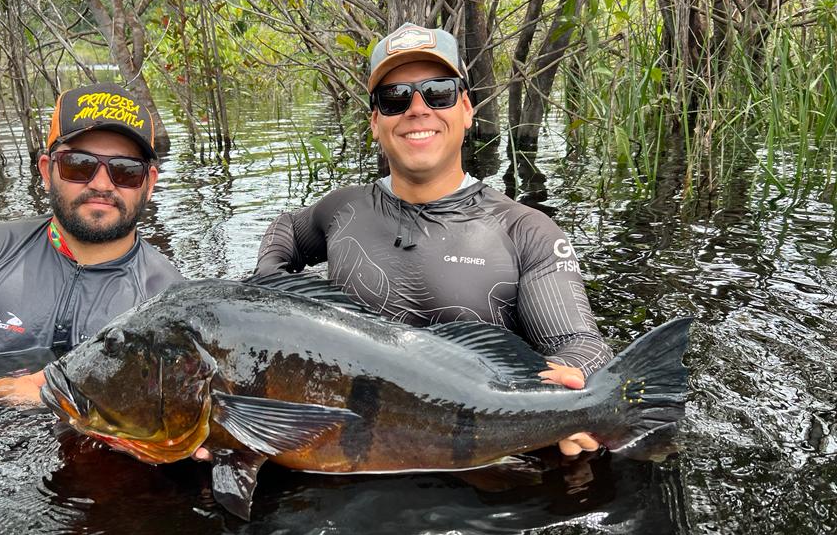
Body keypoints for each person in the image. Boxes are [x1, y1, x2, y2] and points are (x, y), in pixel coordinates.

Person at [254, 23, 613, 457]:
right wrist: (268, 293)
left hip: (483, 463)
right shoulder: (342, 210)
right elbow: (285, 230)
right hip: (347, 458)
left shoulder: (524, 230)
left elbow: (583, 344)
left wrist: (567, 385)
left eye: (438, 92)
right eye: (395, 98)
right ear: (375, 122)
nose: (417, 109)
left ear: (466, 109)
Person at [0, 82, 183, 403]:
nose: (101, 184)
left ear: (149, 184)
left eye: (125, 171)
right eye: (78, 165)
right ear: (46, 170)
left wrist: (59, 399)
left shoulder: (170, 301)